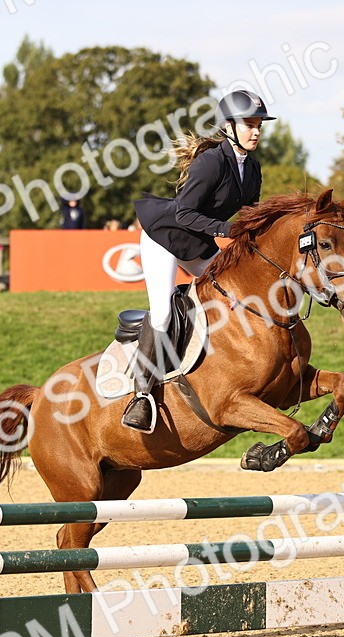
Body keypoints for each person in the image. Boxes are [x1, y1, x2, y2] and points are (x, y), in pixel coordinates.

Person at [122, 89, 273, 433]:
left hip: (197, 241)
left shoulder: (252, 168)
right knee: (161, 312)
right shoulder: (212, 162)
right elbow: (183, 212)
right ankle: (141, 395)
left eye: (259, 125)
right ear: (229, 127)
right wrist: (224, 228)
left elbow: (250, 216)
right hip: (165, 236)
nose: (256, 131)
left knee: (233, 293)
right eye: (249, 124)